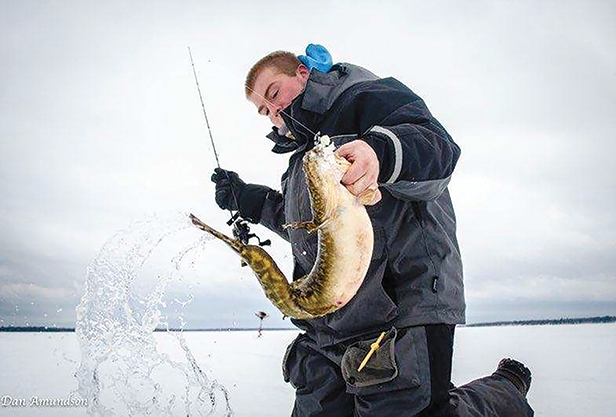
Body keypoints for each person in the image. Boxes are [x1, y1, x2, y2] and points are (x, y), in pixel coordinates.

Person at [211, 44, 534, 416]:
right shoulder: (303, 157)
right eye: (264, 112)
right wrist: (248, 199)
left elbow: (438, 149)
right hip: (329, 320)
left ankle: (504, 392)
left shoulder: (366, 97)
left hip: (400, 306)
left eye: (274, 94)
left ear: (302, 73)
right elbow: (311, 228)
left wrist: (378, 152)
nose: (274, 114)